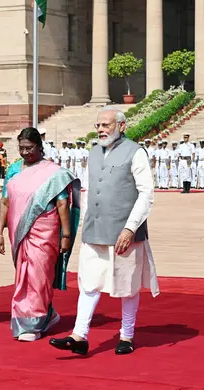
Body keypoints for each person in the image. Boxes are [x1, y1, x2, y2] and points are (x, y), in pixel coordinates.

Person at [49, 107, 159, 356]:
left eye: (106, 125)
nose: (100, 129)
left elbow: (146, 194)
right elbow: (88, 190)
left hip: (124, 231)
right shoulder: (94, 153)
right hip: (95, 229)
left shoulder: (135, 152)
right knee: (89, 281)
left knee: (127, 283)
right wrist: (85, 221)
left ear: (121, 126)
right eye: (98, 125)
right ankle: (79, 335)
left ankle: (127, 335)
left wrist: (130, 228)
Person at [0, 127, 81, 342]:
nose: (25, 153)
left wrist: (66, 235)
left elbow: (62, 203)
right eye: (21, 148)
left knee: (39, 276)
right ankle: (43, 315)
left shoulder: (53, 172)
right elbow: (5, 202)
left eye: (29, 148)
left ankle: (35, 321)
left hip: (45, 232)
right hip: (19, 233)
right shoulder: (14, 170)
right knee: (23, 276)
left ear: (40, 147)